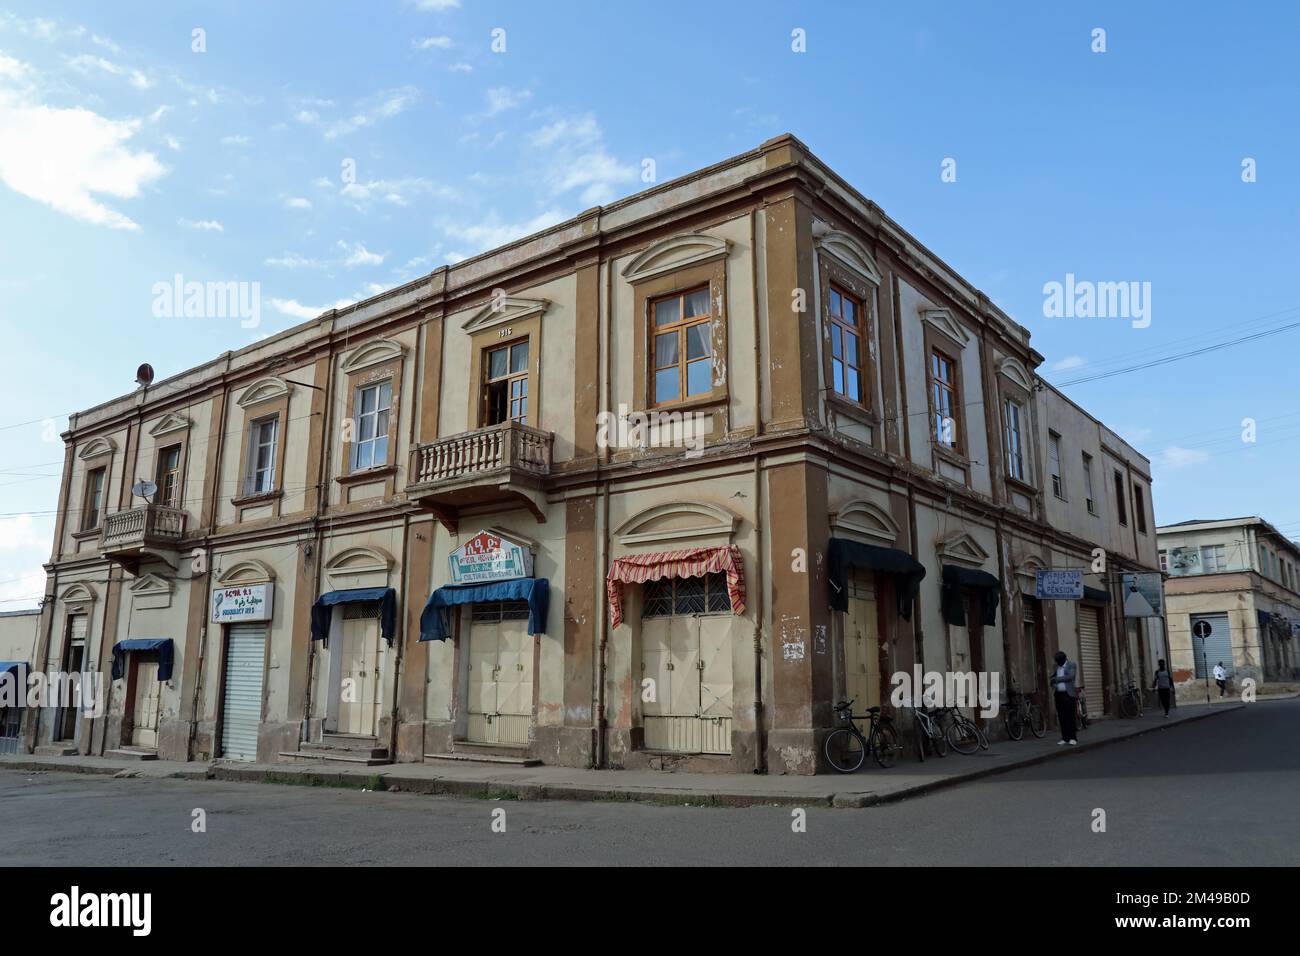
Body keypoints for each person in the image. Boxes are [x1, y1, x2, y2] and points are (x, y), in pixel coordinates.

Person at [1051, 650, 1078, 745]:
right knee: (1062, 717)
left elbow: (1070, 677)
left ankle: (1073, 737)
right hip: (1058, 694)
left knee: (1070, 717)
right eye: (1056, 661)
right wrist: (1052, 682)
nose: (1057, 663)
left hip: (1068, 694)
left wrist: (1056, 679)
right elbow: (1052, 677)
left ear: (1064, 659)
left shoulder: (1071, 665)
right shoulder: (1056, 667)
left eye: (1059, 661)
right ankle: (1065, 738)